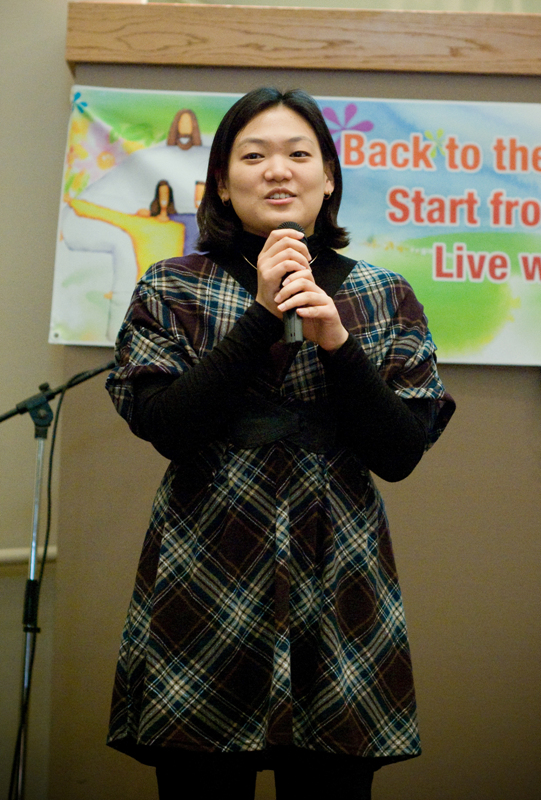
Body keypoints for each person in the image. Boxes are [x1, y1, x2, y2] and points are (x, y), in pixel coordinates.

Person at [105, 87, 455, 800]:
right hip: (205, 573)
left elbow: (399, 453)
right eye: (253, 155)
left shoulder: (384, 296)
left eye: (299, 154)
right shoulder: (171, 288)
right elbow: (166, 427)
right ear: (222, 183)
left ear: (328, 178)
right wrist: (262, 315)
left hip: (340, 574)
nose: (277, 170)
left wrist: (338, 344)